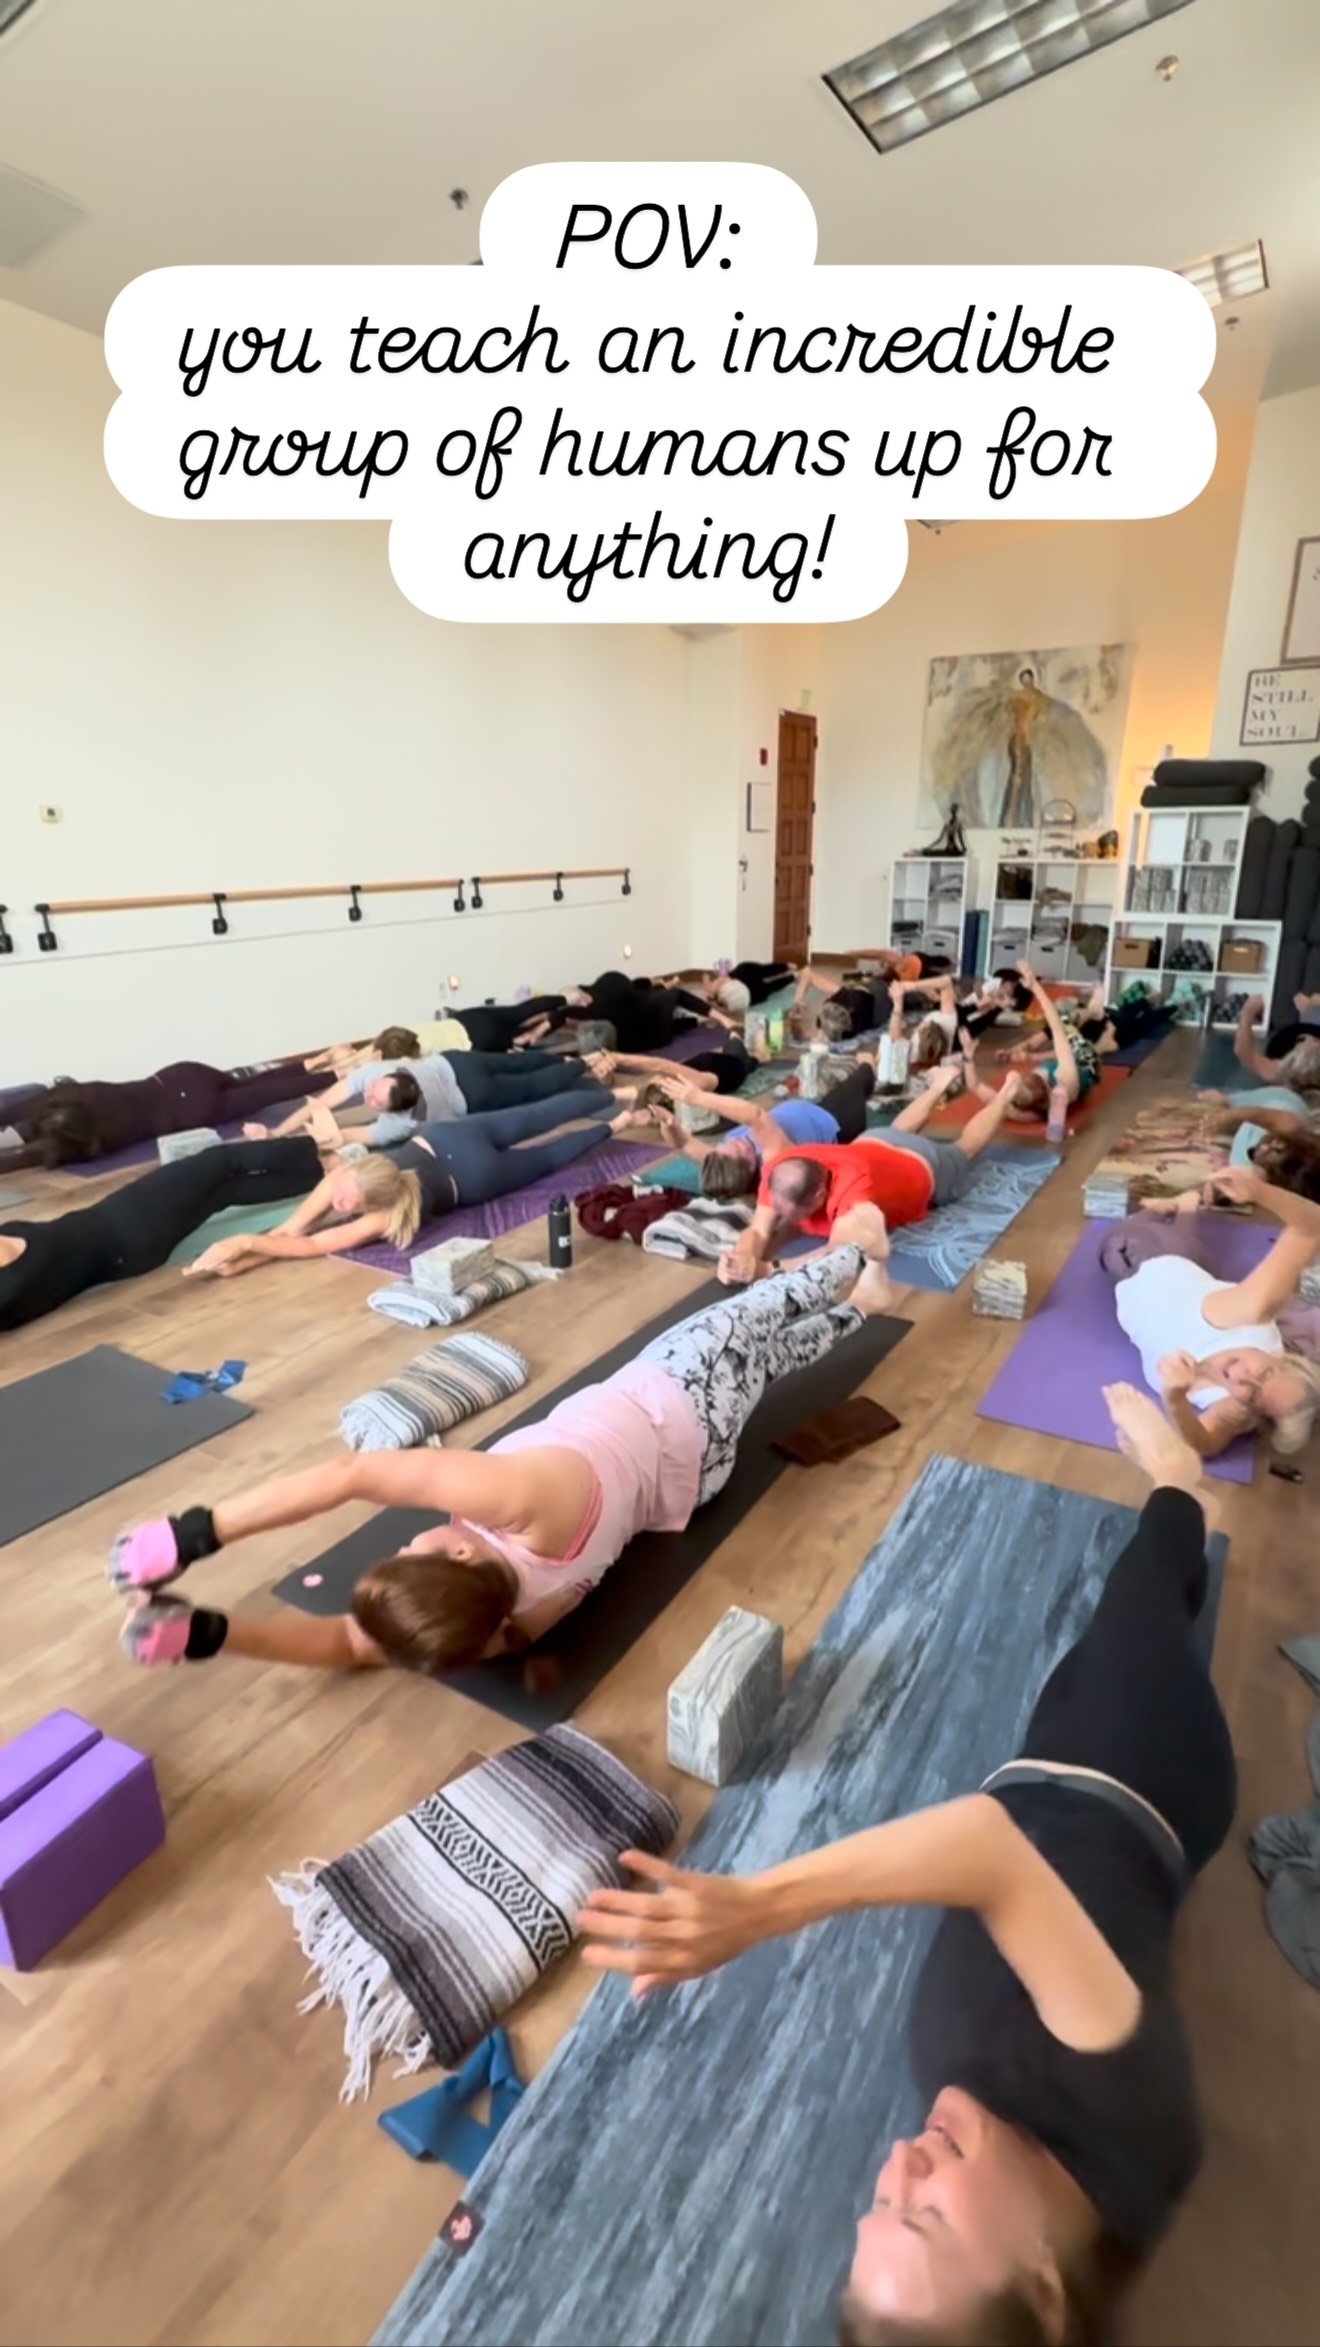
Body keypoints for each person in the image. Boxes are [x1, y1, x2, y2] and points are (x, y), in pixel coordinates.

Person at [580, 1388, 1234, 2347]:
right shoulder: (1124, 2111)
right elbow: (987, 1847)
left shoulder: (1013, 2172)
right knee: (1146, 1584)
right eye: (922, 2214)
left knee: (1103, 1642)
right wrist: (758, 1903)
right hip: (1133, 1762)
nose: (897, 2165)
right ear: (1046, 2291)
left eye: (878, 2204)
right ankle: (1185, 1476)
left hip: (1048, 1781)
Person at [111, 1221, 896, 1673]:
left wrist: (208, 1634)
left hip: (698, 1474)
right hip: (674, 1395)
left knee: (771, 1361)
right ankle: (857, 1250)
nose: (410, 1539)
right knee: (763, 1307)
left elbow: (350, 1645)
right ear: (458, 1555)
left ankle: (859, 1310)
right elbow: (354, 1474)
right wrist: (191, 1533)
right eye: (413, 1551)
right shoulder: (518, 1504)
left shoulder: (497, 1627)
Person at [185, 1084, 619, 1280]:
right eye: (342, 1198)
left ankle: (617, 1120)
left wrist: (249, 1243)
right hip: (450, 1137)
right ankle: (615, 1102)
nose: (338, 1203)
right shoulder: (347, 1176)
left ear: (370, 1201)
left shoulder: (384, 1214)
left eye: (346, 1203)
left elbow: (312, 1242)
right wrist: (245, 1255)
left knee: (548, 1155)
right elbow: (293, 1231)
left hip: (473, 1176)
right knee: (537, 1119)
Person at [718, 1071, 1026, 1281]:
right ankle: (937, 1087)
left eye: (790, 1213)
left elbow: (831, 1257)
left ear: (820, 1196)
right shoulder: (782, 1170)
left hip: (920, 1163)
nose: (781, 1219)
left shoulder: (854, 1196)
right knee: (895, 1131)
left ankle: (1005, 1095)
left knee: (964, 1149)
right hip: (873, 1142)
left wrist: (765, 1269)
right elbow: (758, 1231)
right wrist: (742, 1256)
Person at [1099, 1165, 1320, 1458]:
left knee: (1187, 1249)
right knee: (1120, 1236)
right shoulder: (1249, 1314)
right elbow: (1311, 1228)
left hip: (1190, 1270)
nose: (1242, 1377)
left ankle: (1186, 1205)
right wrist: (1259, 1191)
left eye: (1254, 1395)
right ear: (1282, 1358)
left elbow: (1204, 1444)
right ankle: (1170, 1208)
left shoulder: (1237, 1407)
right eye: (1265, 1373)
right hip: (1144, 1257)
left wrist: (1175, 1399)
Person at [0, 1135, 331, 1329]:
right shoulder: (9, 1272)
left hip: (128, 1249)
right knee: (219, 1160)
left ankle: (321, 1173)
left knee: (222, 1193)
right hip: (128, 1224)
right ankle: (320, 1145)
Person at [0, 1056, 337, 1169]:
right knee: (250, 1085)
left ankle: (330, 1072)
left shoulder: (92, 1140)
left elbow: (20, 1159)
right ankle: (320, 1062)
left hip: (190, 1111)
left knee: (256, 1095)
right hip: (180, 1074)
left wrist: (332, 1081)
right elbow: (13, 1110)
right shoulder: (68, 1093)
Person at [254, 1044, 602, 1148]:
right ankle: (573, 1061)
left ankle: (579, 1063)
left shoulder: (400, 1120)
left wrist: (281, 1133)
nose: (369, 1094)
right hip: (460, 1068)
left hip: (470, 1086)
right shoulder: (387, 1084)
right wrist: (276, 1134)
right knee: (522, 1069)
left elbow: (341, 1131)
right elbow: (321, 1108)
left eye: (374, 1093)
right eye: (373, 1099)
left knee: (530, 1083)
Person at [643, 1058, 878, 1201]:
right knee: (863, 1073)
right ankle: (871, 1065)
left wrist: (669, 1124)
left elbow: (682, 1143)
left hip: (811, 1111)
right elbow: (756, 1116)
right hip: (836, 1120)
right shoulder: (773, 1162)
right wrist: (698, 1097)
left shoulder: (725, 1160)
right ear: (749, 1166)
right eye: (737, 1148)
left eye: (725, 1145)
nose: (731, 1141)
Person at [983, 962, 1100, 1122]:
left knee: (1053, 1035)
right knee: (1063, 1023)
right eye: (1026, 1081)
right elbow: (1056, 1027)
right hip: (1087, 1063)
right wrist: (1035, 986)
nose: (1026, 1076)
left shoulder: (1033, 1101)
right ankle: (1094, 1010)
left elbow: (978, 1088)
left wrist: (1010, 1053)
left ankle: (1094, 1012)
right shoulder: (1065, 1080)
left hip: (1063, 1064)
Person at [1231, 993, 1320, 1096]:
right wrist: (1312, 1002)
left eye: (1301, 1040)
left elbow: (1243, 1052)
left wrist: (1247, 1014)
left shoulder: (1283, 1074)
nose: (1308, 1039)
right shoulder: (1289, 1073)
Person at [1073, 981, 1175, 1059]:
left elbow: (1084, 1010)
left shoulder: (1073, 1018)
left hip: (1107, 1021)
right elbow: (1099, 1049)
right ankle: (1174, 1007)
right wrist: (1109, 1032)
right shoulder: (1077, 1049)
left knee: (1127, 1013)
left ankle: (1151, 1000)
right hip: (1113, 1036)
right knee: (1141, 1023)